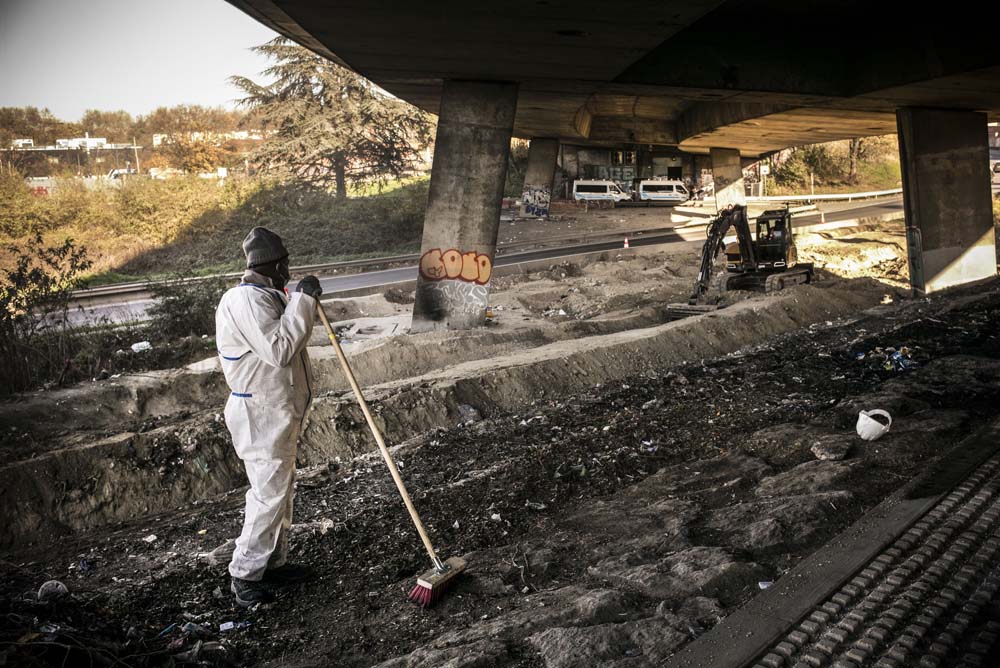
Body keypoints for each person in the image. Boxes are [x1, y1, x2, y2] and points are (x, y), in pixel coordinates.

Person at [215, 227, 323, 607]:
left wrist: (297, 302)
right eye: (286, 265)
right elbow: (280, 349)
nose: (289, 272)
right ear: (273, 265)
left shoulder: (263, 296)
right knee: (268, 495)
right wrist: (303, 301)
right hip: (258, 414)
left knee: (280, 494)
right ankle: (244, 575)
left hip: (273, 411)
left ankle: (271, 564)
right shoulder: (244, 300)